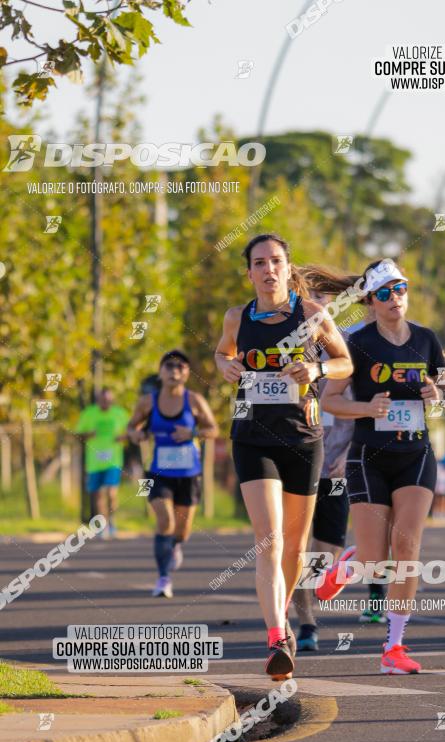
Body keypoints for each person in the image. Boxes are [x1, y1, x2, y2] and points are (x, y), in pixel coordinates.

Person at [214, 233, 353, 680]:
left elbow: (344, 362)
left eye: (275, 261)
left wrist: (316, 369)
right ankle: (276, 636)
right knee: (270, 540)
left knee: (294, 546)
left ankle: (286, 616)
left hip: (304, 438)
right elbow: (222, 351)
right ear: (249, 272)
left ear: (286, 266)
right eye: (259, 263)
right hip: (252, 437)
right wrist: (225, 365)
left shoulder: (312, 314)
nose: (268, 269)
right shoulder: (237, 317)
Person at [322, 258, 445, 674]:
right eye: (384, 293)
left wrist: (437, 393)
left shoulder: (427, 339)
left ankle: (394, 647)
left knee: (407, 550)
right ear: (370, 301)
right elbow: (330, 400)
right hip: (369, 457)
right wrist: (368, 406)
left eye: (399, 289)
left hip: (415, 456)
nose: (394, 298)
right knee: (373, 560)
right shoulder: (356, 342)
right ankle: (350, 563)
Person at [290, 270, 368, 651]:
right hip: (297, 455)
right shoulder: (286, 343)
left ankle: (322, 585)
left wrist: (351, 453)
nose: (319, 305)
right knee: (298, 544)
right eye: (312, 297)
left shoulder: (349, 346)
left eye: (325, 298)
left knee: (326, 550)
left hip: (336, 459)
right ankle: (306, 624)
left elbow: (360, 404)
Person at [127, 350, 218, 598]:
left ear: (187, 373)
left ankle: (176, 545)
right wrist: (137, 434)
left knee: (182, 529)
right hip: (158, 473)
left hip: (189, 474)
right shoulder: (148, 401)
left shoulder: (195, 400)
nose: (174, 370)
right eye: (169, 366)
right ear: (160, 371)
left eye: (180, 366)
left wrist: (193, 434)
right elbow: (131, 426)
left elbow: (213, 429)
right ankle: (163, 578)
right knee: (165, 520)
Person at [74, 388, 129, 538]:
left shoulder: (120, 413)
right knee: (98, 495)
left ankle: (112, 521)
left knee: (111, 493)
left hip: (113, 460)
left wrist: (122, 437)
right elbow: (78, 434)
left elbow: (130, 431)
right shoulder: (89, 413)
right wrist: (88, 434)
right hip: (94, 461)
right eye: (103, 400)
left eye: (109, 400)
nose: (106, 403)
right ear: (98, 401)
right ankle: (101, 525)